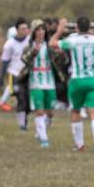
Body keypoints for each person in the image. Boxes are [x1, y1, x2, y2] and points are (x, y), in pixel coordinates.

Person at [50, 16, 94, 153]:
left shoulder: (72, 40)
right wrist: (92, 33)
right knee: (93, 111)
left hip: (77, 80)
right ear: (89, 27)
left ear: (77, 27)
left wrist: (59, 30)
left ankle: (80, 145)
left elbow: (52, 43)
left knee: (76, 111)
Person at [21, 20, 64, 148]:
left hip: (49, 82)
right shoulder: (28, 47)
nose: (41, 32)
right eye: (38, 30)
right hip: (35, 83)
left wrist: (61, 54)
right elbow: (24, 59)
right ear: (34, 32)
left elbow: (62, 60)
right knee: (39, 111)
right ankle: (44, 139)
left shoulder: (49, 46)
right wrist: (34, 51)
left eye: (43, 29)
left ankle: (42, 128)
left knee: (49, 111)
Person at [0, 19, 31, 129]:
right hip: (14, 74)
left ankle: (24, 118)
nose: (25, 31)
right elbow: (5, 62)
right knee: (20, 96)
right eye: (23, 29)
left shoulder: (30, 41)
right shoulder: (9, 44)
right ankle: (22, 125)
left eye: (27, 28)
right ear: (17, 30)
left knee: (27, 99)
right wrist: (0, 79)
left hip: (28, 74)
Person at [0, 24, 18, 112]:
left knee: (18, 86)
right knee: (11, 87)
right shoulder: (9, 44)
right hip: (12, 70)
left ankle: (19, 103)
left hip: (17, 69)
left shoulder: (12, 43)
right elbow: (5, 60)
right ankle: (2, 102)